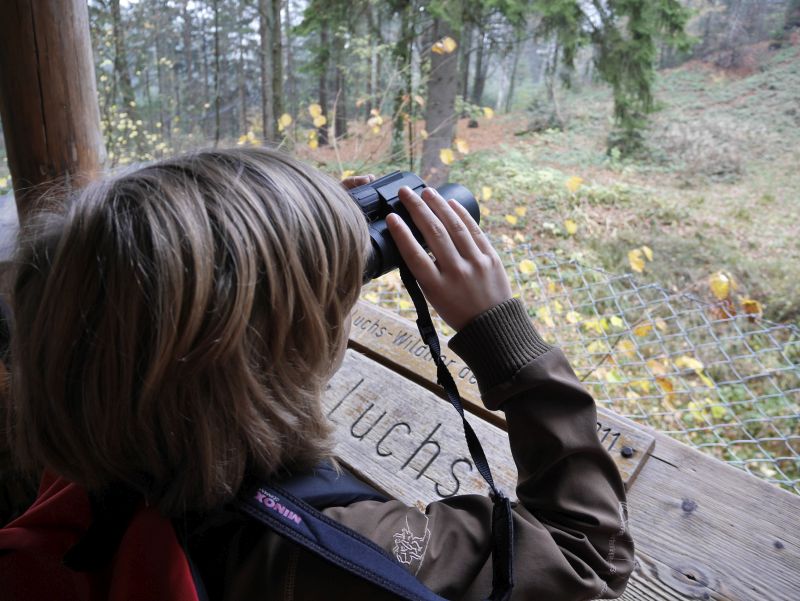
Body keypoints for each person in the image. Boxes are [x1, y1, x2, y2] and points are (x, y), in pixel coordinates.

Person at [0, 147, 633, 600]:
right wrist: (503, 336)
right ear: (264, 357)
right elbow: (585, 557)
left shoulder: (98, 442)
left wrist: (302, 227)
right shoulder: (330, 554)